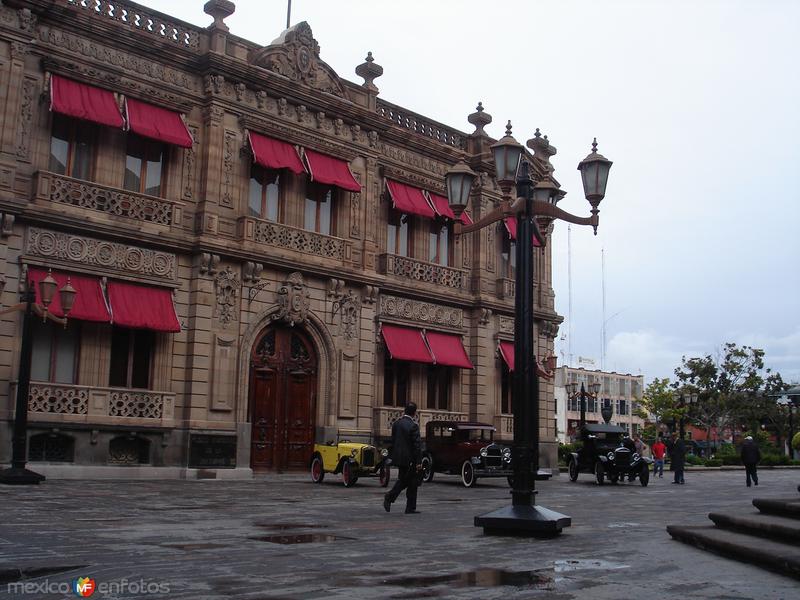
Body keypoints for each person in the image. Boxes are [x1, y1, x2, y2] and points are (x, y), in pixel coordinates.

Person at [383, 402, 422, 514]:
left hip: (399, 459)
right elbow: (417, 445)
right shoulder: (413, 426)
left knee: (412, 483)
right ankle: (390, 497)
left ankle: (410, 508)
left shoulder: (396, 424)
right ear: (415, 413)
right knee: (405, 481)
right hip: (410, 460)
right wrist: (418, 461)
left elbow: (393, 441)